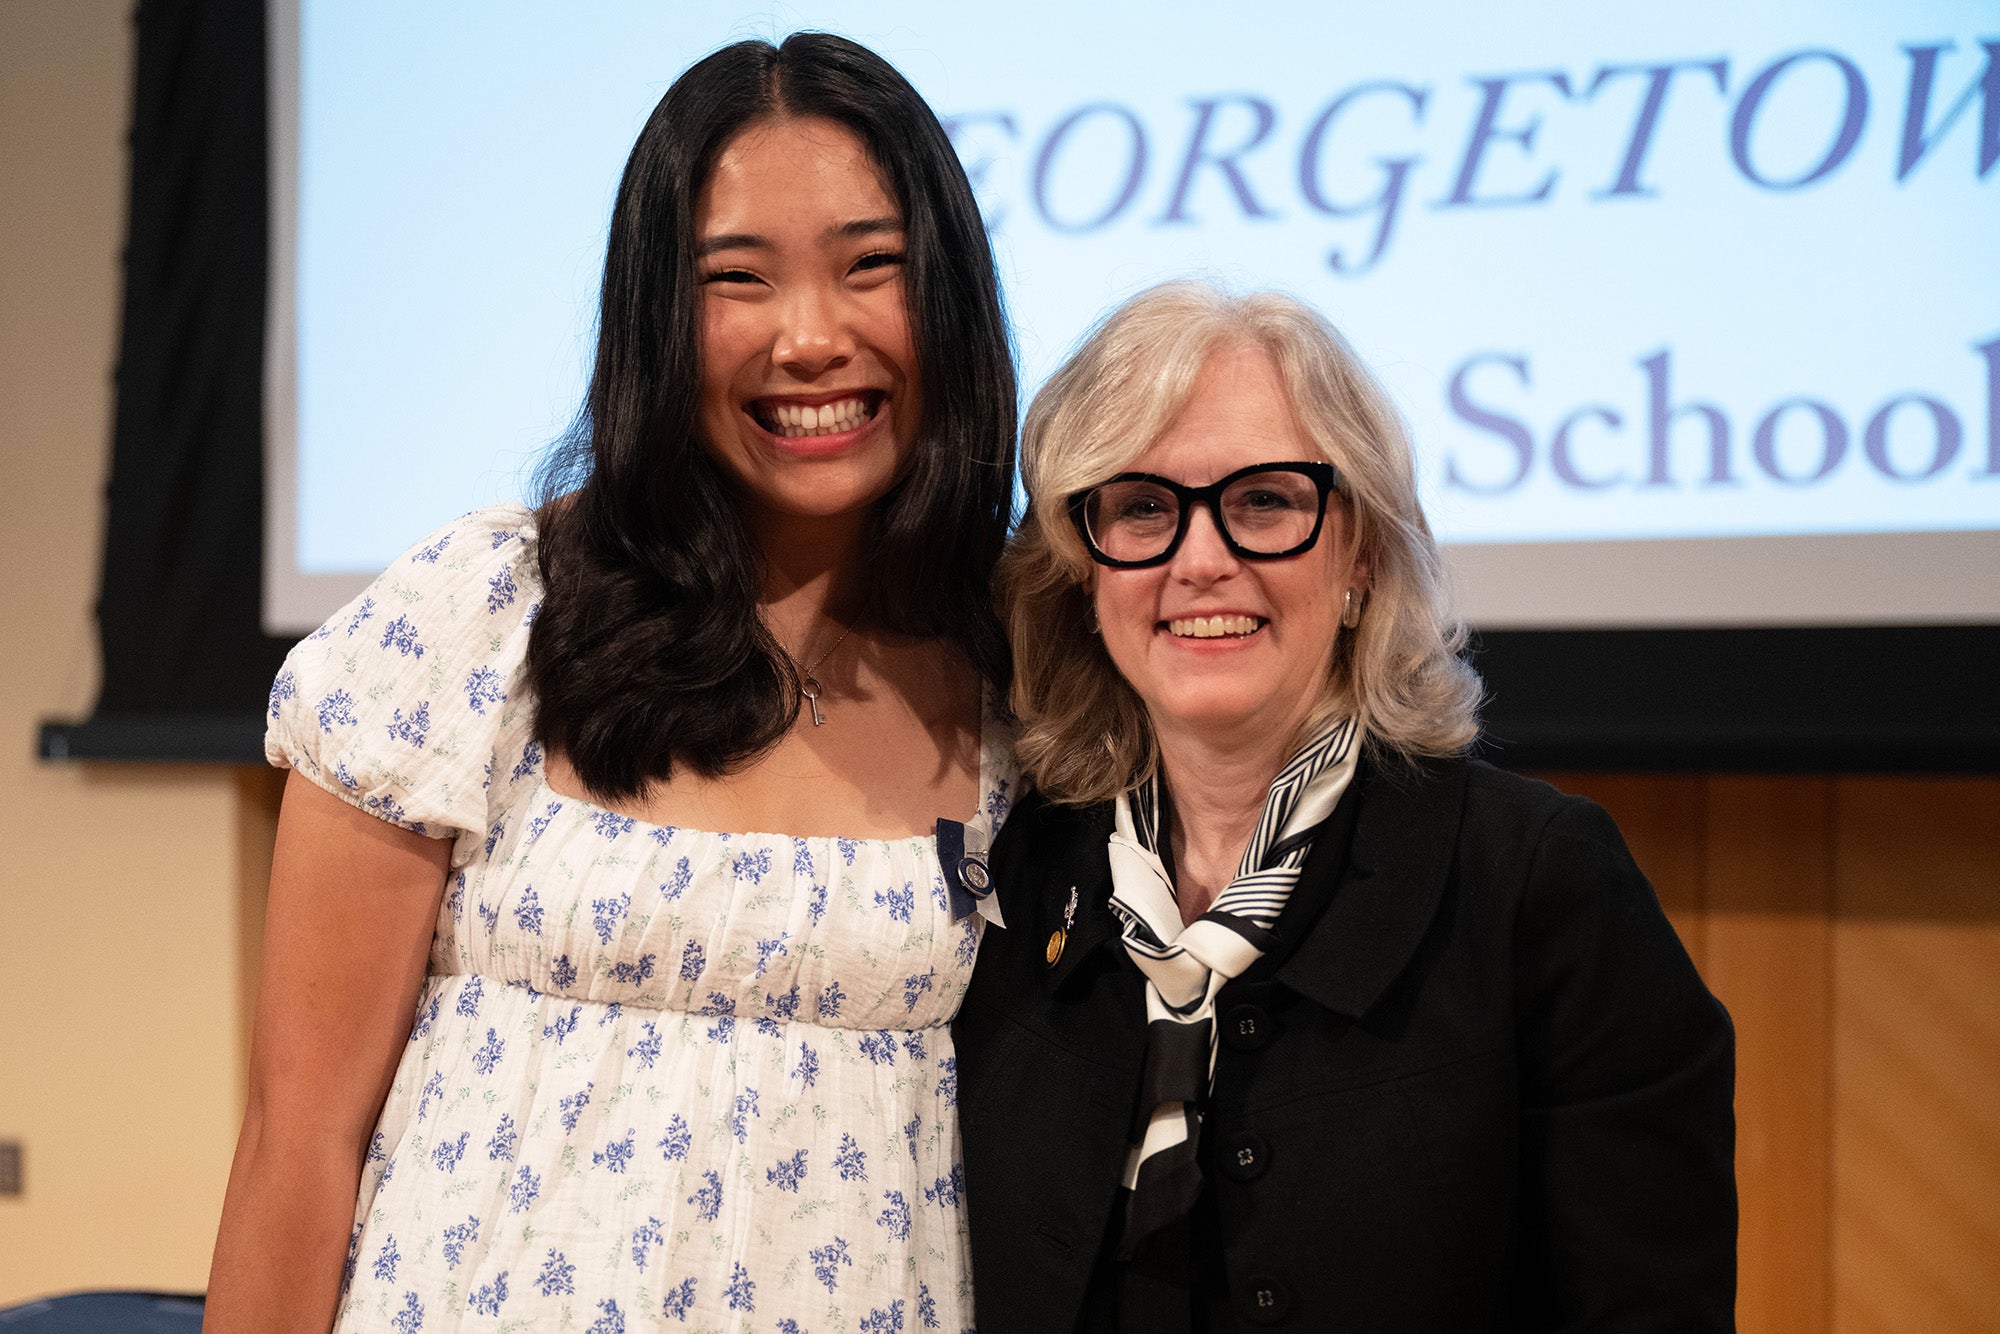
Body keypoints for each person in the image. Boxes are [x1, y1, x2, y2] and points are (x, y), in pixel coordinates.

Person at [206, 33, 1018, 1332]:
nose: (812, 337)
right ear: (655, 320)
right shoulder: (481, 614)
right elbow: (296, 1140)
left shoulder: (1016, 671)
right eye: (737, 278)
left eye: (872, 266)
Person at [954, 281, 1736, 1331]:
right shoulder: (1017, 875)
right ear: (1080, 570)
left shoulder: (1536, 886)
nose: (1200, 559)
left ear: (1360, 552)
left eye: (1264, 501)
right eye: (1140, 505)